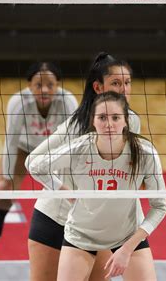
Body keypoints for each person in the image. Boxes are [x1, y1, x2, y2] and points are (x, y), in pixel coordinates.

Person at [26, 91, 166, 281]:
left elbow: (160, 206)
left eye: (116, 117)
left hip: (127, 234)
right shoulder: (80, 148)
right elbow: (35, 166)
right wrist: (64, 192)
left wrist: (127, 249)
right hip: (81, 235)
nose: (109, 124)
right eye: (102, 117)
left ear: (126, 121)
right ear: (93, 121)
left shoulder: (144, 153)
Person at [27, 52, 141, 281]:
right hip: (55, 219)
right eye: (116, 83)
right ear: (98, 88)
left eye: (127, 82)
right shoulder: (76, 125)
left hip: (94, 225)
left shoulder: (132, 121)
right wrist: (65, 193)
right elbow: (32, 162)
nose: (124, 89)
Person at [0, 62, 78, 281]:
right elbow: (10, 143)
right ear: (29, 85)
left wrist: (72, 178)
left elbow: (73, 141)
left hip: (54, 150)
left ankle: (72, 258)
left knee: (71, 199)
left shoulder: (67, 101)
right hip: (23, 149)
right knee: (1, 199)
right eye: (39, 85)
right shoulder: (19, 103)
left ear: (58, 85)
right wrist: (6, 179)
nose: (45, 90)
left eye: (50, 84)